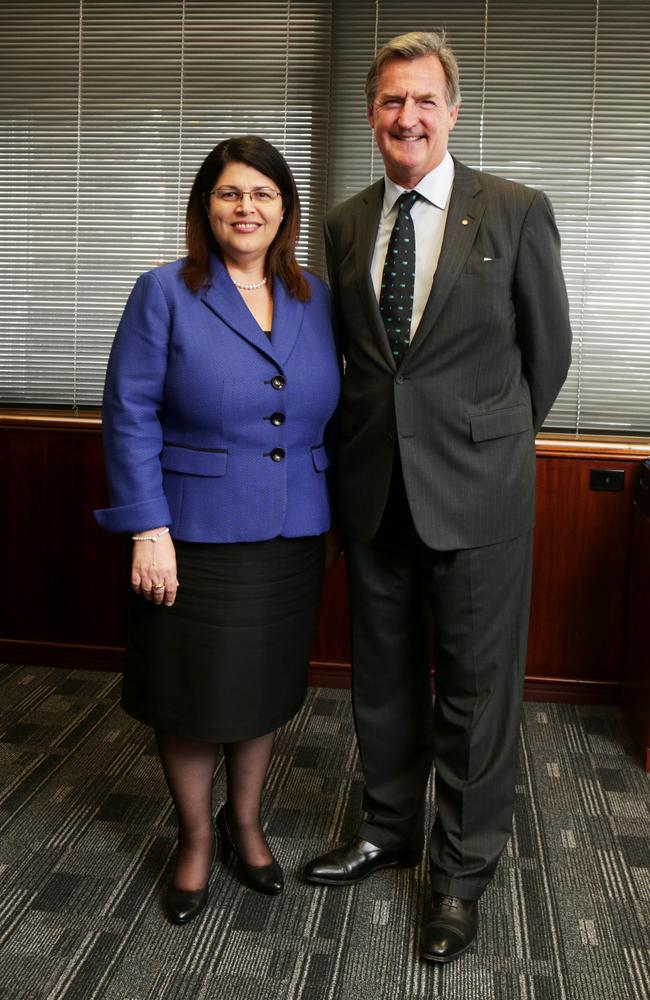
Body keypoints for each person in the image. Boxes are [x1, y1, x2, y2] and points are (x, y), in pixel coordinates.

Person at [304, 31, 572, 964]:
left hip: (480, 497)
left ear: (453, 111)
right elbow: (348, 361)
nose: (405, 118)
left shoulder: (515, 210)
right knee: (380, 683)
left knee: (475, 693)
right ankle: (389, 828)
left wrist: (484, 443)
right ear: (370, 116)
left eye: (423, 100)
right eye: (388, 102)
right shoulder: (340, 226)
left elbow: (551, 357)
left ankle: (460, 875)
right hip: (375, 490)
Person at [95, 135, 340, 924]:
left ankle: (246, 822)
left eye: (263, 194)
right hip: (192, 532)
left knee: (261, 690)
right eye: (231, 193)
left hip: (294, 529)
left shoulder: (316, 297)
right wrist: (147, 526)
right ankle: (196, 838)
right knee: (193, 696)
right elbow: (129, 413)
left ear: (285, 210)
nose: (247, 208)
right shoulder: (164, 291)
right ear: (207, 205)